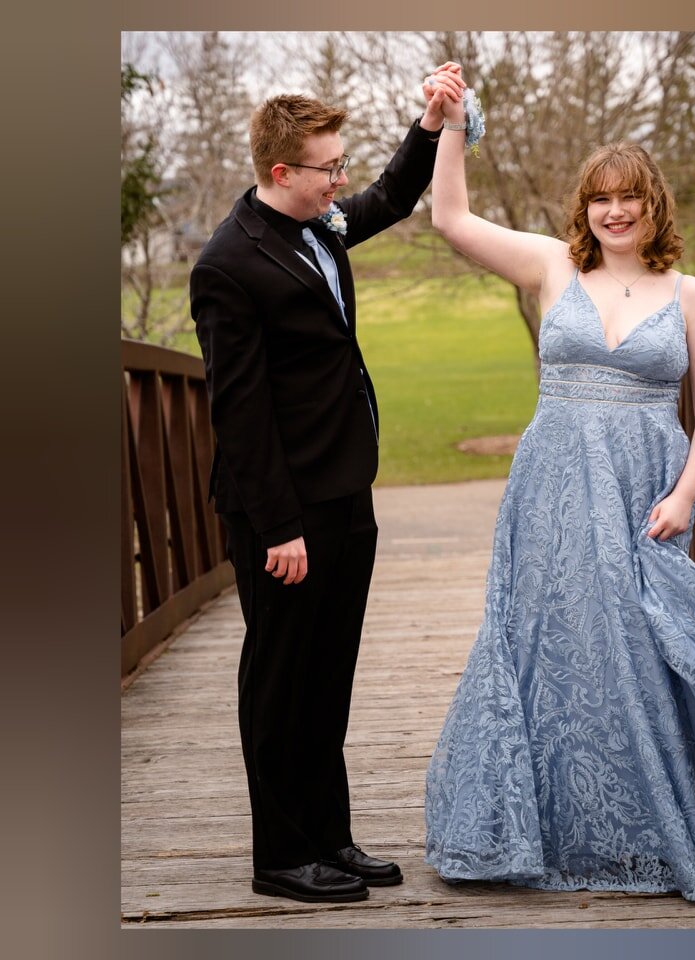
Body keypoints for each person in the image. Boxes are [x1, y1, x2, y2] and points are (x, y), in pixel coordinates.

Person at [423, 69, 695, 902]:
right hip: (550, 490)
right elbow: (450, 218)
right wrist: (454, 125)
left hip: (644, 488)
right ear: (585, 209)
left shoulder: (689, 294)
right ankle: (539, 826)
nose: (615, 213)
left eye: (630, 200)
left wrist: (685, 494)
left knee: (643, 653)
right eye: (600, 200)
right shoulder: (548, 267)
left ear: (654, 207)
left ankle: (650, 826)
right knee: (554, 649)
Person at [190, 65, 467, 904]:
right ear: (283, 173)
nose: (341, 179)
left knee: (329, 674)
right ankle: (280, 855)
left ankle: (328, 837)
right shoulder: (228, 267)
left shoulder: (319, 223)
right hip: (285, 511)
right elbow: (239, 417)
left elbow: (389, 196)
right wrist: (278, 528)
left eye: (340, 163)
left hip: (346, 491)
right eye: (328, 168)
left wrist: (429, 124)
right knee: (281, 680)